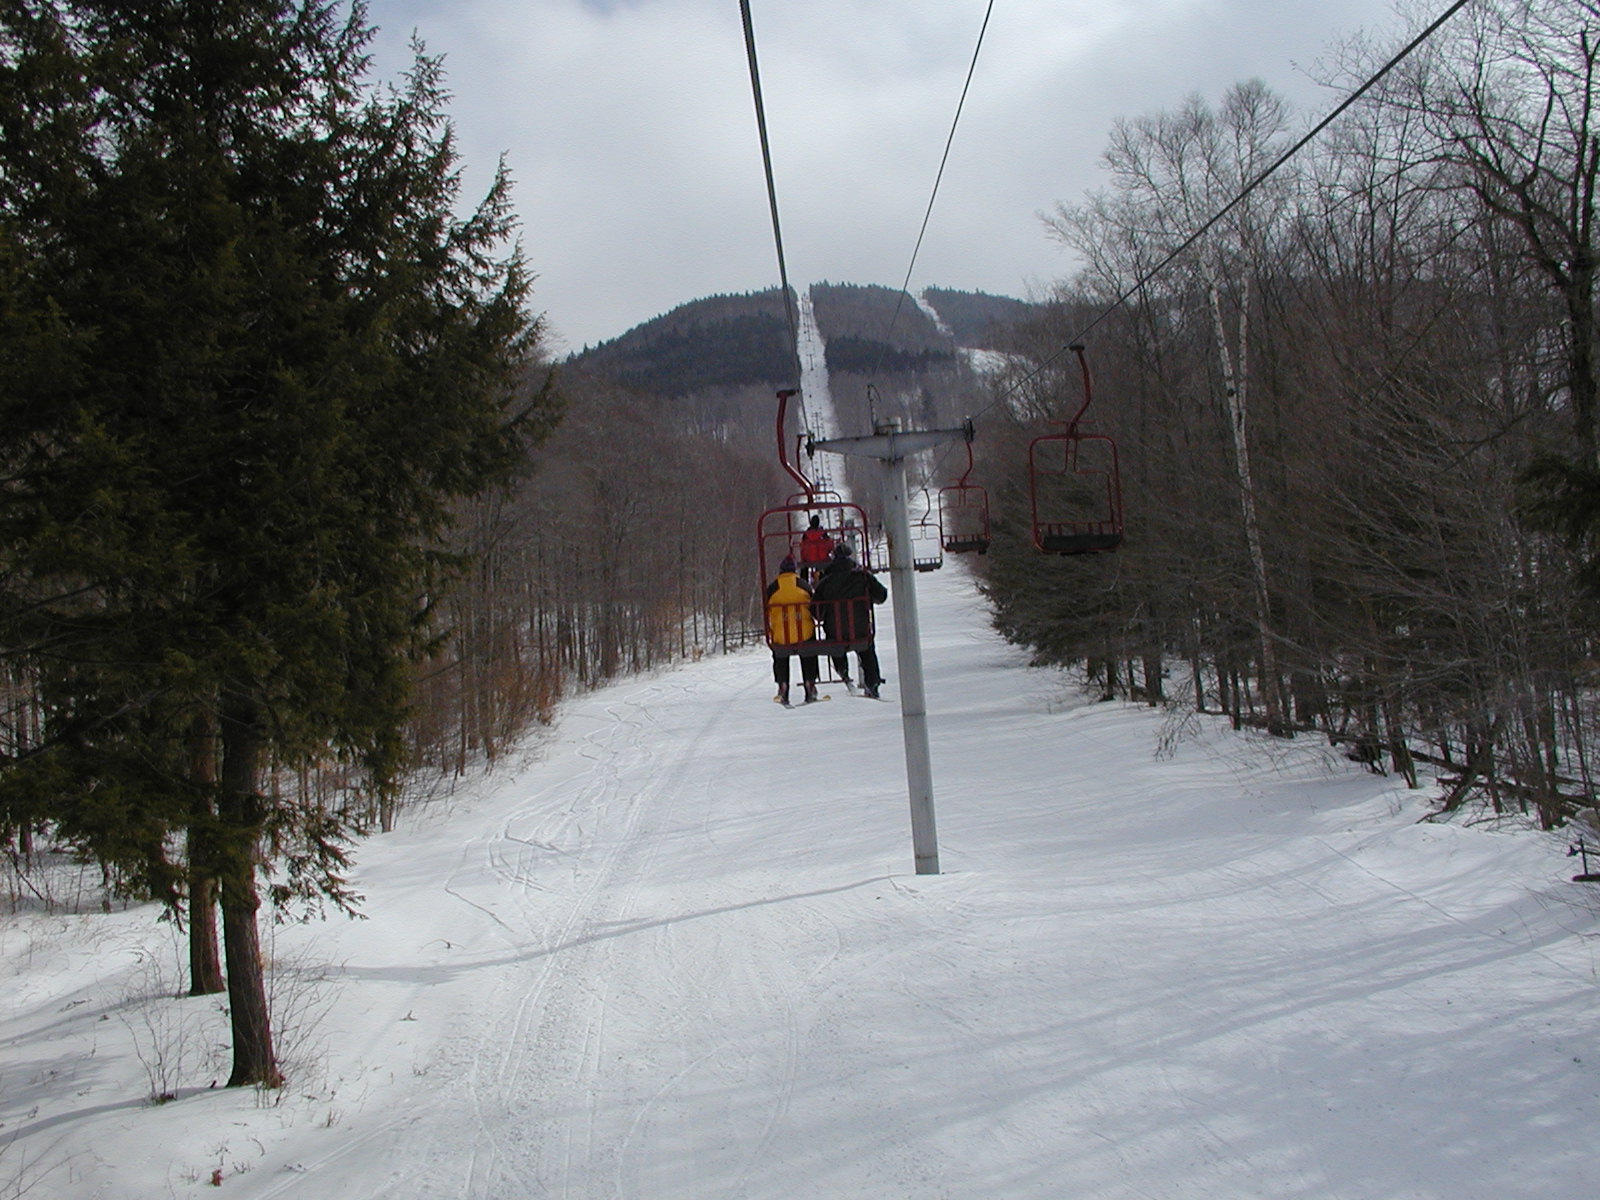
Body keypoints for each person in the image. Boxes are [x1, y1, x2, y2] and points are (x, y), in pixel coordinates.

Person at [812, 540, 888, 697]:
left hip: (835, 632)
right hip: (860, 629)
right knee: (867, 649)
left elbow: (816, 612)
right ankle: (872, 682)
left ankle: (843, 672)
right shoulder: (863, 576)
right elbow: (882, 596)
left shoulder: (825, 582)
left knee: (834, 645)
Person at [765, 555, 821, 705]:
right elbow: (813, 607)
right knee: (809, 650)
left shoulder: (773, 588)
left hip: (781, 635)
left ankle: (783, 685)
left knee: (780, 653)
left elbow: (767, 609)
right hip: (804, 633)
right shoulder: (803, 585)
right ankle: (810, 683)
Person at [797, 514, 833, 582]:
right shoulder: (823, 534)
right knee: (830, 567)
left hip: (809, 560)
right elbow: (830, 546)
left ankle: (804, 583)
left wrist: (804, 559)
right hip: (823, 559)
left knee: (804, 569)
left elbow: (803, 548)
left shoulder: (806, 535)